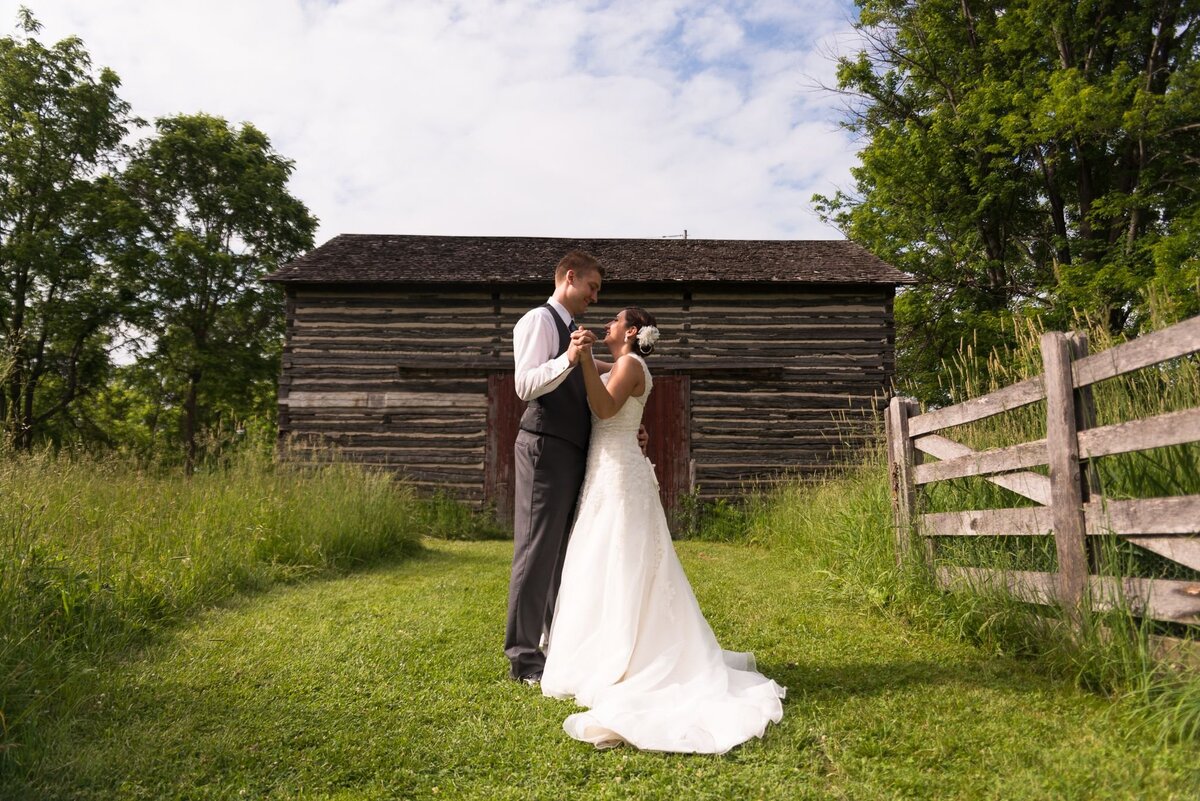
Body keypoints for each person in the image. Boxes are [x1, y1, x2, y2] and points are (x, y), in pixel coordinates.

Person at [540, 308, 786, 754]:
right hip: (610, 471)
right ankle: (603, 650)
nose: (607, 325)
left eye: (614, 321)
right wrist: (575, 353)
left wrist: (588, 353)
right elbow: (586, 368)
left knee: (621, 561)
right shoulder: (624, 365)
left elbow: (604, 406)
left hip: (618, 476)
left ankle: (630, 655)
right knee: (604, 561)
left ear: (631, 332)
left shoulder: (630, 364)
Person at [504, 250, 605, 684]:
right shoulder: (539, 321)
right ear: (569, 277)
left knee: (561, 553)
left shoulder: (572, 331)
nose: (595, 298)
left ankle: (552, 644)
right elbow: (524, 384)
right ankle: (524, 659)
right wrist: (567, 358)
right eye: (592, 287)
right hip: (543, 447)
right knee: (535, 550)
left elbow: (595, 377)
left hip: (571, 450)